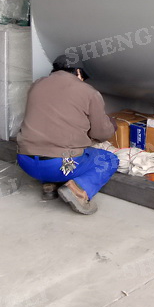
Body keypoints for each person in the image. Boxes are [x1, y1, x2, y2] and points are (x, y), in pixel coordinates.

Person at [17, 55, 119, 214]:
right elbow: (101, 133)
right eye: (83, 76)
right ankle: (78, 190)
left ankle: (50, 185)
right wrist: (111, 125)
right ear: (78, 72)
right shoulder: (88, 92)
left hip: (25, 162)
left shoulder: (36, 85)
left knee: (53, 150)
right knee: (109, 159)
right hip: (59, 165)